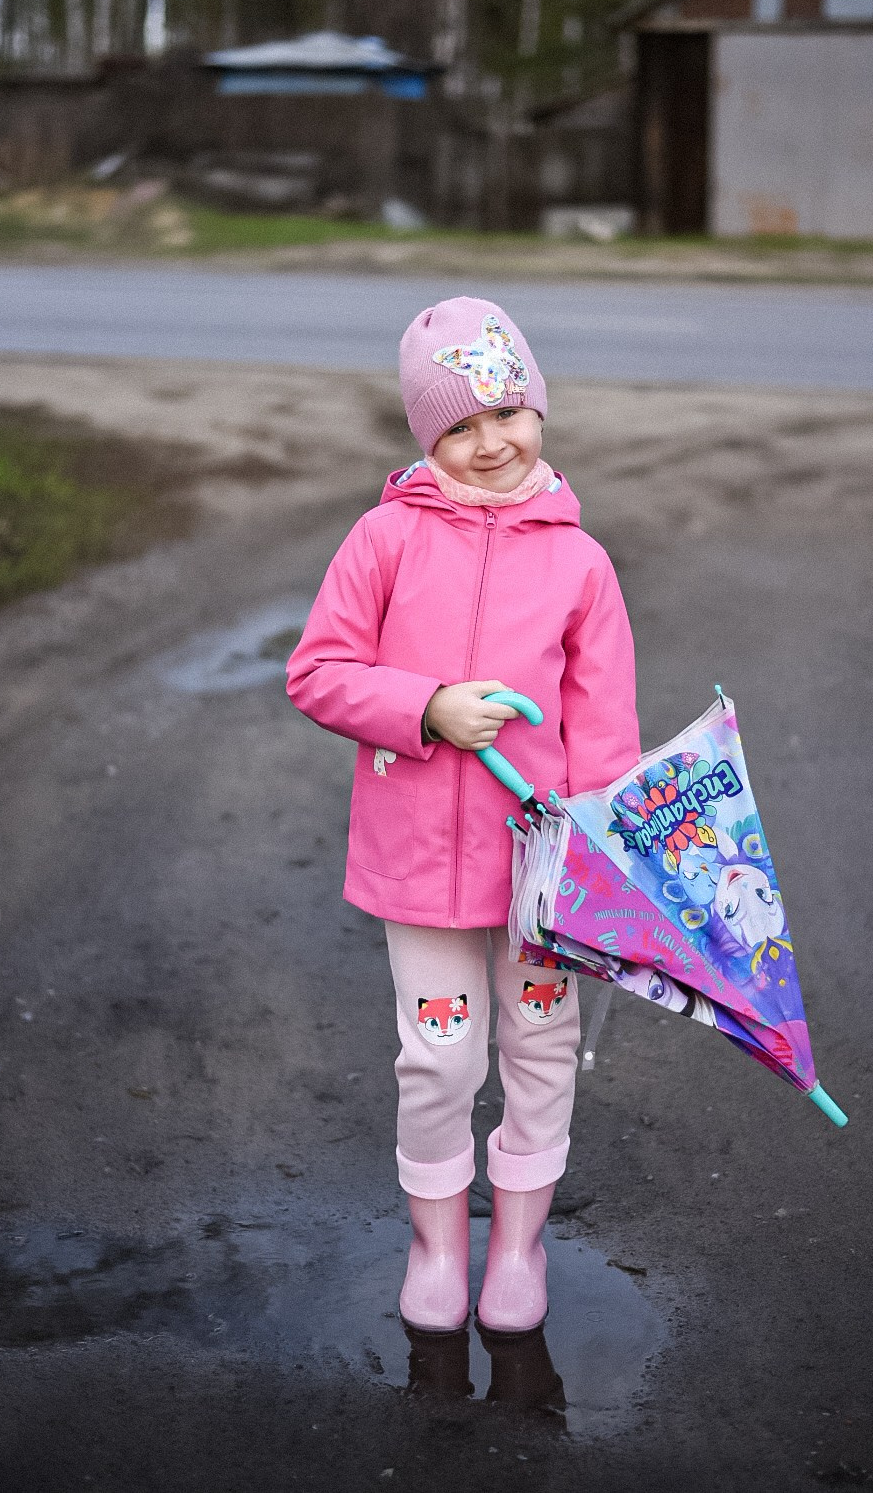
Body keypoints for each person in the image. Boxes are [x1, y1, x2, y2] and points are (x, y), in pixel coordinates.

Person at [286, 296, 639, 1335]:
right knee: (438, 1056)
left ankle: (519, 1245)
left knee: (539, 1042)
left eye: (508, 413)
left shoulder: (582, 562)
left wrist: (600, 853)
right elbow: (317, 671)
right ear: (424, 435)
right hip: (420, 866)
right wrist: (425, 708)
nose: (491, 443)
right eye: (459, 426)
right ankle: (438, 1245)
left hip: (542, 869)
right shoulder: (384, 538)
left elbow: (605, 727)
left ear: (537, 407)